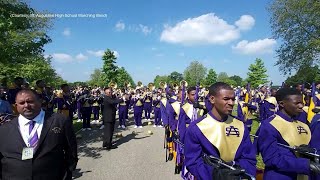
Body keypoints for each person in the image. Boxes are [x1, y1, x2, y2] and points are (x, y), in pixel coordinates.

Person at [0, 89, 78, 180]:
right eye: (22, 103)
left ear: (40, 101)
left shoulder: (60, 121)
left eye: (30, 101)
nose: (26, 105)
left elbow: (71, 150)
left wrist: (67, 173)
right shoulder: (4, 129)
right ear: (16, 106)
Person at [184, 82, 256, 180]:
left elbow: (249, 158)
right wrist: (217, 174)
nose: (231, 103)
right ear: (212, 99)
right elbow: (193, 162)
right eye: (226, 99)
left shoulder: (240, 125)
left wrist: (238, 173)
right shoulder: (196, 127)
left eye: (233, 99)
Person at [256, 88, 320, 179]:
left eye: (302, 102)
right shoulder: (269, 125)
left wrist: (311, 153)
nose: (301, 106)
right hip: (281, 176)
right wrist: (305, 165)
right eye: (296, 103)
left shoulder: (304, 125)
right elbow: (271, 158)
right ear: (282, 104)